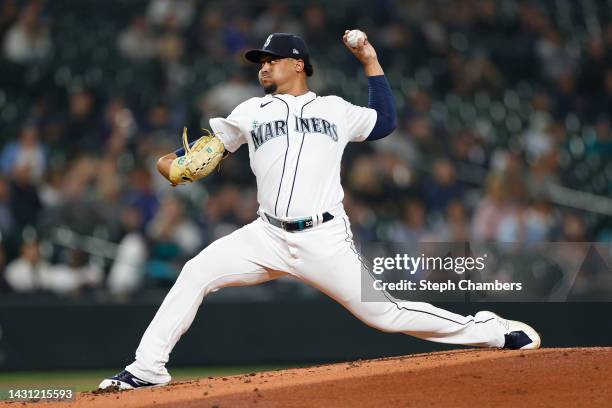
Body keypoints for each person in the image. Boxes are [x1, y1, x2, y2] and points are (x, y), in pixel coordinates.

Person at [100, 31, 540, 390]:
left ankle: (489, 329)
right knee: (196, 272)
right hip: (266, 235)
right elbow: (203, 151)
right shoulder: (249, 111)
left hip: (323, 238)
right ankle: (147, 368)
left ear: (298, 65)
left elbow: (384, 121)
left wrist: (369, 59)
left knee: (386, 315)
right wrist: (174, 162)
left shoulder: (334, 109)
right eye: (260, 61)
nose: (264, 66)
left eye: (272, 59)